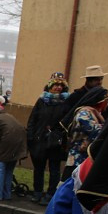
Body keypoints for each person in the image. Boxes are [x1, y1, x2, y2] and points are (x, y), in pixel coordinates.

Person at [25, 74, 70, 204]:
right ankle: (37, 192)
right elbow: (33, 119)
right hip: (39, 140)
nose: (58, 88)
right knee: (39, 168)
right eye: (55, 85)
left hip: (56, 141)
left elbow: (67, 121)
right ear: (50, 86)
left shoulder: (66, 102)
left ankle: (50, 194)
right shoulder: (42, 101)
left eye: (61, 85)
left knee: (54, 169)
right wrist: (31, 137)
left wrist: (60, 135)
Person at [62, 87, 108, 180]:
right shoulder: (83, 114)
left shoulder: (97, 115)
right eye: (107, 101)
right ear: (101, 101)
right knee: (69, 186)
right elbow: (95, 131)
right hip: (77, 159)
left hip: (88, 159)